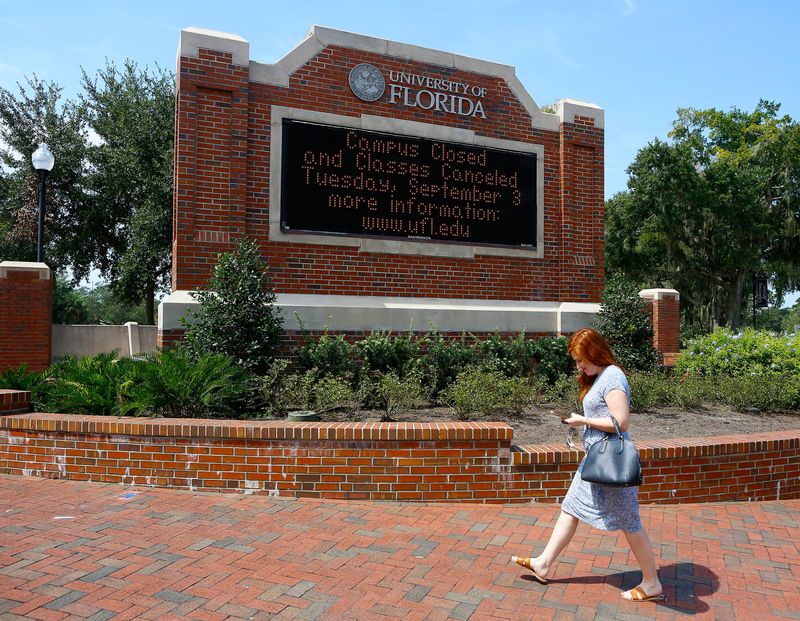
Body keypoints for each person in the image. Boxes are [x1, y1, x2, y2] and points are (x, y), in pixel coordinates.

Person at [511, 328, 664, 603]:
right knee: (571, 506)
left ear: (595, 352)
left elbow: (621, 421)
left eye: (582, 360)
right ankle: (544, 562)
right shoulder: (600, 376)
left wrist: (583, 421)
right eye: (577, 361)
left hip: (610, 462)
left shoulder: (613, 376)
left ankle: (652, 583)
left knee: (630, 522)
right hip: (596, 459)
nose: (579, 366)